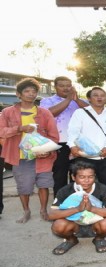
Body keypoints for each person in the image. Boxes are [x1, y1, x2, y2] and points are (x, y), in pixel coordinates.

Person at [0, 78, 59, 223]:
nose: (31, 94)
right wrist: (19, 128)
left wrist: (48, 150)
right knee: (24, 187)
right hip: (20, 157)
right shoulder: (8, 112)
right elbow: (2, 132)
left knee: (44, 184)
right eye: (27, 91)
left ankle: (43, 210)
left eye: (34, 91)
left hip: (42, 157)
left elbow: (54, 135)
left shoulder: (44, 113)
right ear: (19, 94)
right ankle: (26, 211)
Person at [49, 160, 106, 255]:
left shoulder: (103, 189)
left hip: (96, 224)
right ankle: (71, 240)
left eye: (90, 177)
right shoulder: (64, 191)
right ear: (73, 177)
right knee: (58, 225)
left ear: (95, 177)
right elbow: (52, 215)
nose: (86, 180)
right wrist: (77, 209)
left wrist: (91, 208)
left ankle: (99, 238)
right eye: (82, 177)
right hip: (74, 225)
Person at [40, 76, 89, 196]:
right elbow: (50, 114)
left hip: (79, 144)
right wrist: (68, 99)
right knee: (59, 175)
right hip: (59, 143)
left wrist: (76, 100)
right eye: (62, 86)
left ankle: (78, 199)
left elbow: (91, 112)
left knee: (79, 174)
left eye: (68, 85)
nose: (66, 88)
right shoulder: (47, 101)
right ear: (55, 87)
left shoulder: (79, 101)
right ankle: (60, 201)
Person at [67, 87, 106, 184]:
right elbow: (73, 131)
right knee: (83, 186)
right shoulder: (80, 113)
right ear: (89, 98)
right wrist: (72, 146)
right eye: (95, 95)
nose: (99, 98)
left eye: (102, 96)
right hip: (84, 157)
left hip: (105, 156)